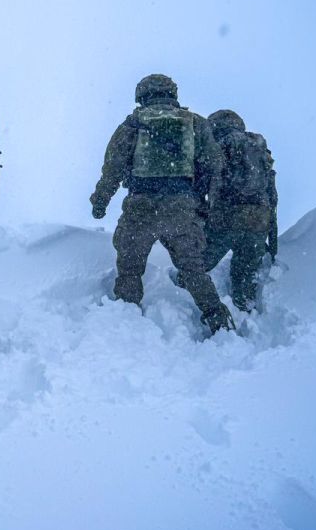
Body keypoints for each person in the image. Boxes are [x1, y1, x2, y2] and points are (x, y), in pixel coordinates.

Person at [90, 74, 235, 335]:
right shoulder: (196, 124)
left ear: (142, 95)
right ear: (172, 93)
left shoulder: (133, 124)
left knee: (130, 269)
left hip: (140, 208)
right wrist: (201, 203)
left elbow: (112, 168)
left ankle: (125, 322)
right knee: (193, 270)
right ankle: (218, 319)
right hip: (181, 208)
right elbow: (215, 167)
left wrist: (99, 202)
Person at [195, 109, 278, 311]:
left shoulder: (216, 147)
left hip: (224, 219)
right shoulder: (259, 150)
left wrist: (202, 217)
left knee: (195, 267)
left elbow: (200, 186)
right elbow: (272, 197)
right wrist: (272, 242)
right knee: (245, 275)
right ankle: (246, 314)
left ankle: (177, 301)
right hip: (258, 222)